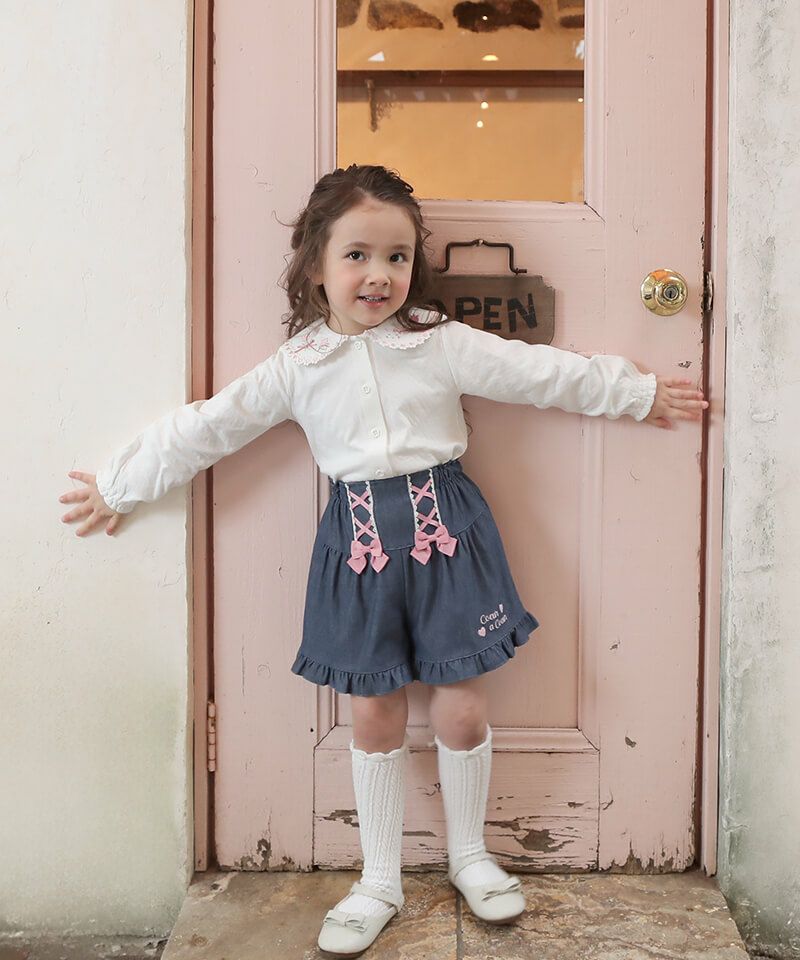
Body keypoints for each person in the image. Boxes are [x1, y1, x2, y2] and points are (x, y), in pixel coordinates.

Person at [57, 164, 708, 957]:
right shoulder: (297, 367)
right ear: (316, 266)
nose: (379, 275)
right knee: (374, 711)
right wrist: (121, 486)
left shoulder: (439, 343)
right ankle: (379, 878)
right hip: (358, 548)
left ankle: (471, 855)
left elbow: (540, 373)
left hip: (450, 537)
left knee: (461, 705)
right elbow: (209, 426)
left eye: (397, 257)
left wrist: (636, 393)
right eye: (358, 255)